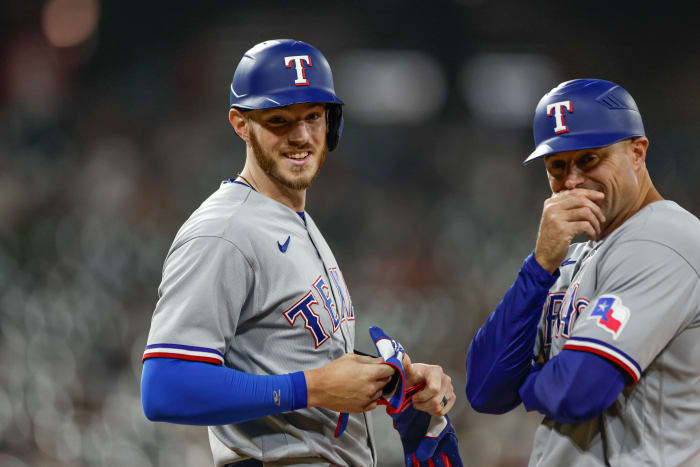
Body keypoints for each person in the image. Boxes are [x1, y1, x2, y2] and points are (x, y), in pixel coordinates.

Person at [140, 39, 456, 467]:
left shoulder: (294, 219)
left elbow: (295, 359)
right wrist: (312, 388)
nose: (302, 136)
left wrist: (395, 381)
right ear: (240, 124)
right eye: (278, 120)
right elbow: (164, 387)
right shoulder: (223, 231)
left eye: (312, 116)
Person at [465, 79, 700, 466]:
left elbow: (580, 390)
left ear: (637, 152)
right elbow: (486, 388)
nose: (572, 181)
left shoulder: (664, 240)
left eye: (589, 159)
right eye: (557, 166)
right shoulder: (572, 257)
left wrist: (531, 382)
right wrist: (538, 267)